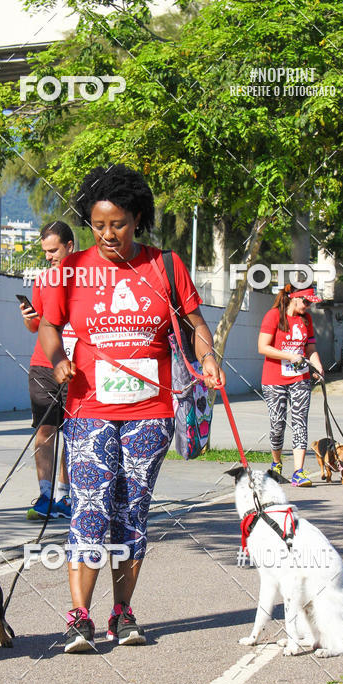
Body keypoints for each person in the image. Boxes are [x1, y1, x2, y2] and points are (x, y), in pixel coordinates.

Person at [38, 163, 224, 651]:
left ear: (137, 218)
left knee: (131, 513)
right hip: (88, 410)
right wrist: (58, 360)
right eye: (97, 225)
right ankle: (79, 616)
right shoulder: (72, 270)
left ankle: (122, 613)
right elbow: (49, 327)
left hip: (151, 412)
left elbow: (195, 323)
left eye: (116, 224)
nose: (106, 234)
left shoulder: (165, 265)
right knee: (89, 510)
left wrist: (208, 359)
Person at [19, 221, 76, 520]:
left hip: (76, 367)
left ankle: (66, 498)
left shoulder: (87, 279)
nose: (49, 256)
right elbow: (36, 327)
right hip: (43, 365)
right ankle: (45, 495)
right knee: (45, 429)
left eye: (54, 250)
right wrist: (28, 317)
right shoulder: (42, 280)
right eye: (45, 251)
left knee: (73, 433)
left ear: (70, 246)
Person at [258, 284, 324, 487]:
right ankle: (277, 462)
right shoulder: (273, 316)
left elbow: (310, 346)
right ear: (293, 298)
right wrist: (290, 355)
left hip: (300, 378)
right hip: (274, 378)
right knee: (277, 424)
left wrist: (317, 365)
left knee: (299, 423)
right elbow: (262, 347)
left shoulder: (306, 319)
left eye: (310, 303)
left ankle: (298, 471)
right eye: (305, 302)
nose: (307, 306)